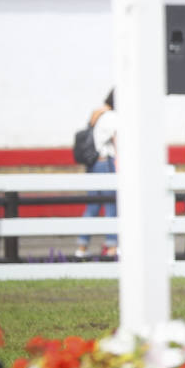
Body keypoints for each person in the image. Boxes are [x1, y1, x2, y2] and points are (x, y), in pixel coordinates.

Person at [76, 90, 118, 259]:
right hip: (105, 164)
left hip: (94, 165)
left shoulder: (98, 114)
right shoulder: (112, 117)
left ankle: (82, 246)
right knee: (111, 205)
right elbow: (117, 140)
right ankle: (112, 246)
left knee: (92, 206)